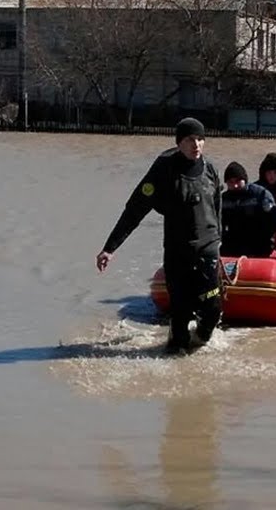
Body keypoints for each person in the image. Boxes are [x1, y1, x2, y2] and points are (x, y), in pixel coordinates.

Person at [95, 117, 223, 356]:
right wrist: (110, 248)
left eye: (200, 139)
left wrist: (219, 241)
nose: (196, 144)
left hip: (208, 250)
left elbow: (217, 207)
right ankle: (177, 350)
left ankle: (201, 339)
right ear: (179, 143)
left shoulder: (211, 169)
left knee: (213, 309)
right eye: (189, 140)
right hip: (178, 253)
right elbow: (134, 210)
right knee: (181, 316)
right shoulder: (164, 171)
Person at [220, 161, 276, 258]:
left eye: (238, 181)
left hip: (257, 242)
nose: (235, 186)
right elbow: (218, 224)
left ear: (245, 180)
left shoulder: (260, 194)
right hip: (233, 243)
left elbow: (272, 222)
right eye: (231, 182)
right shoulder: (223, 199)